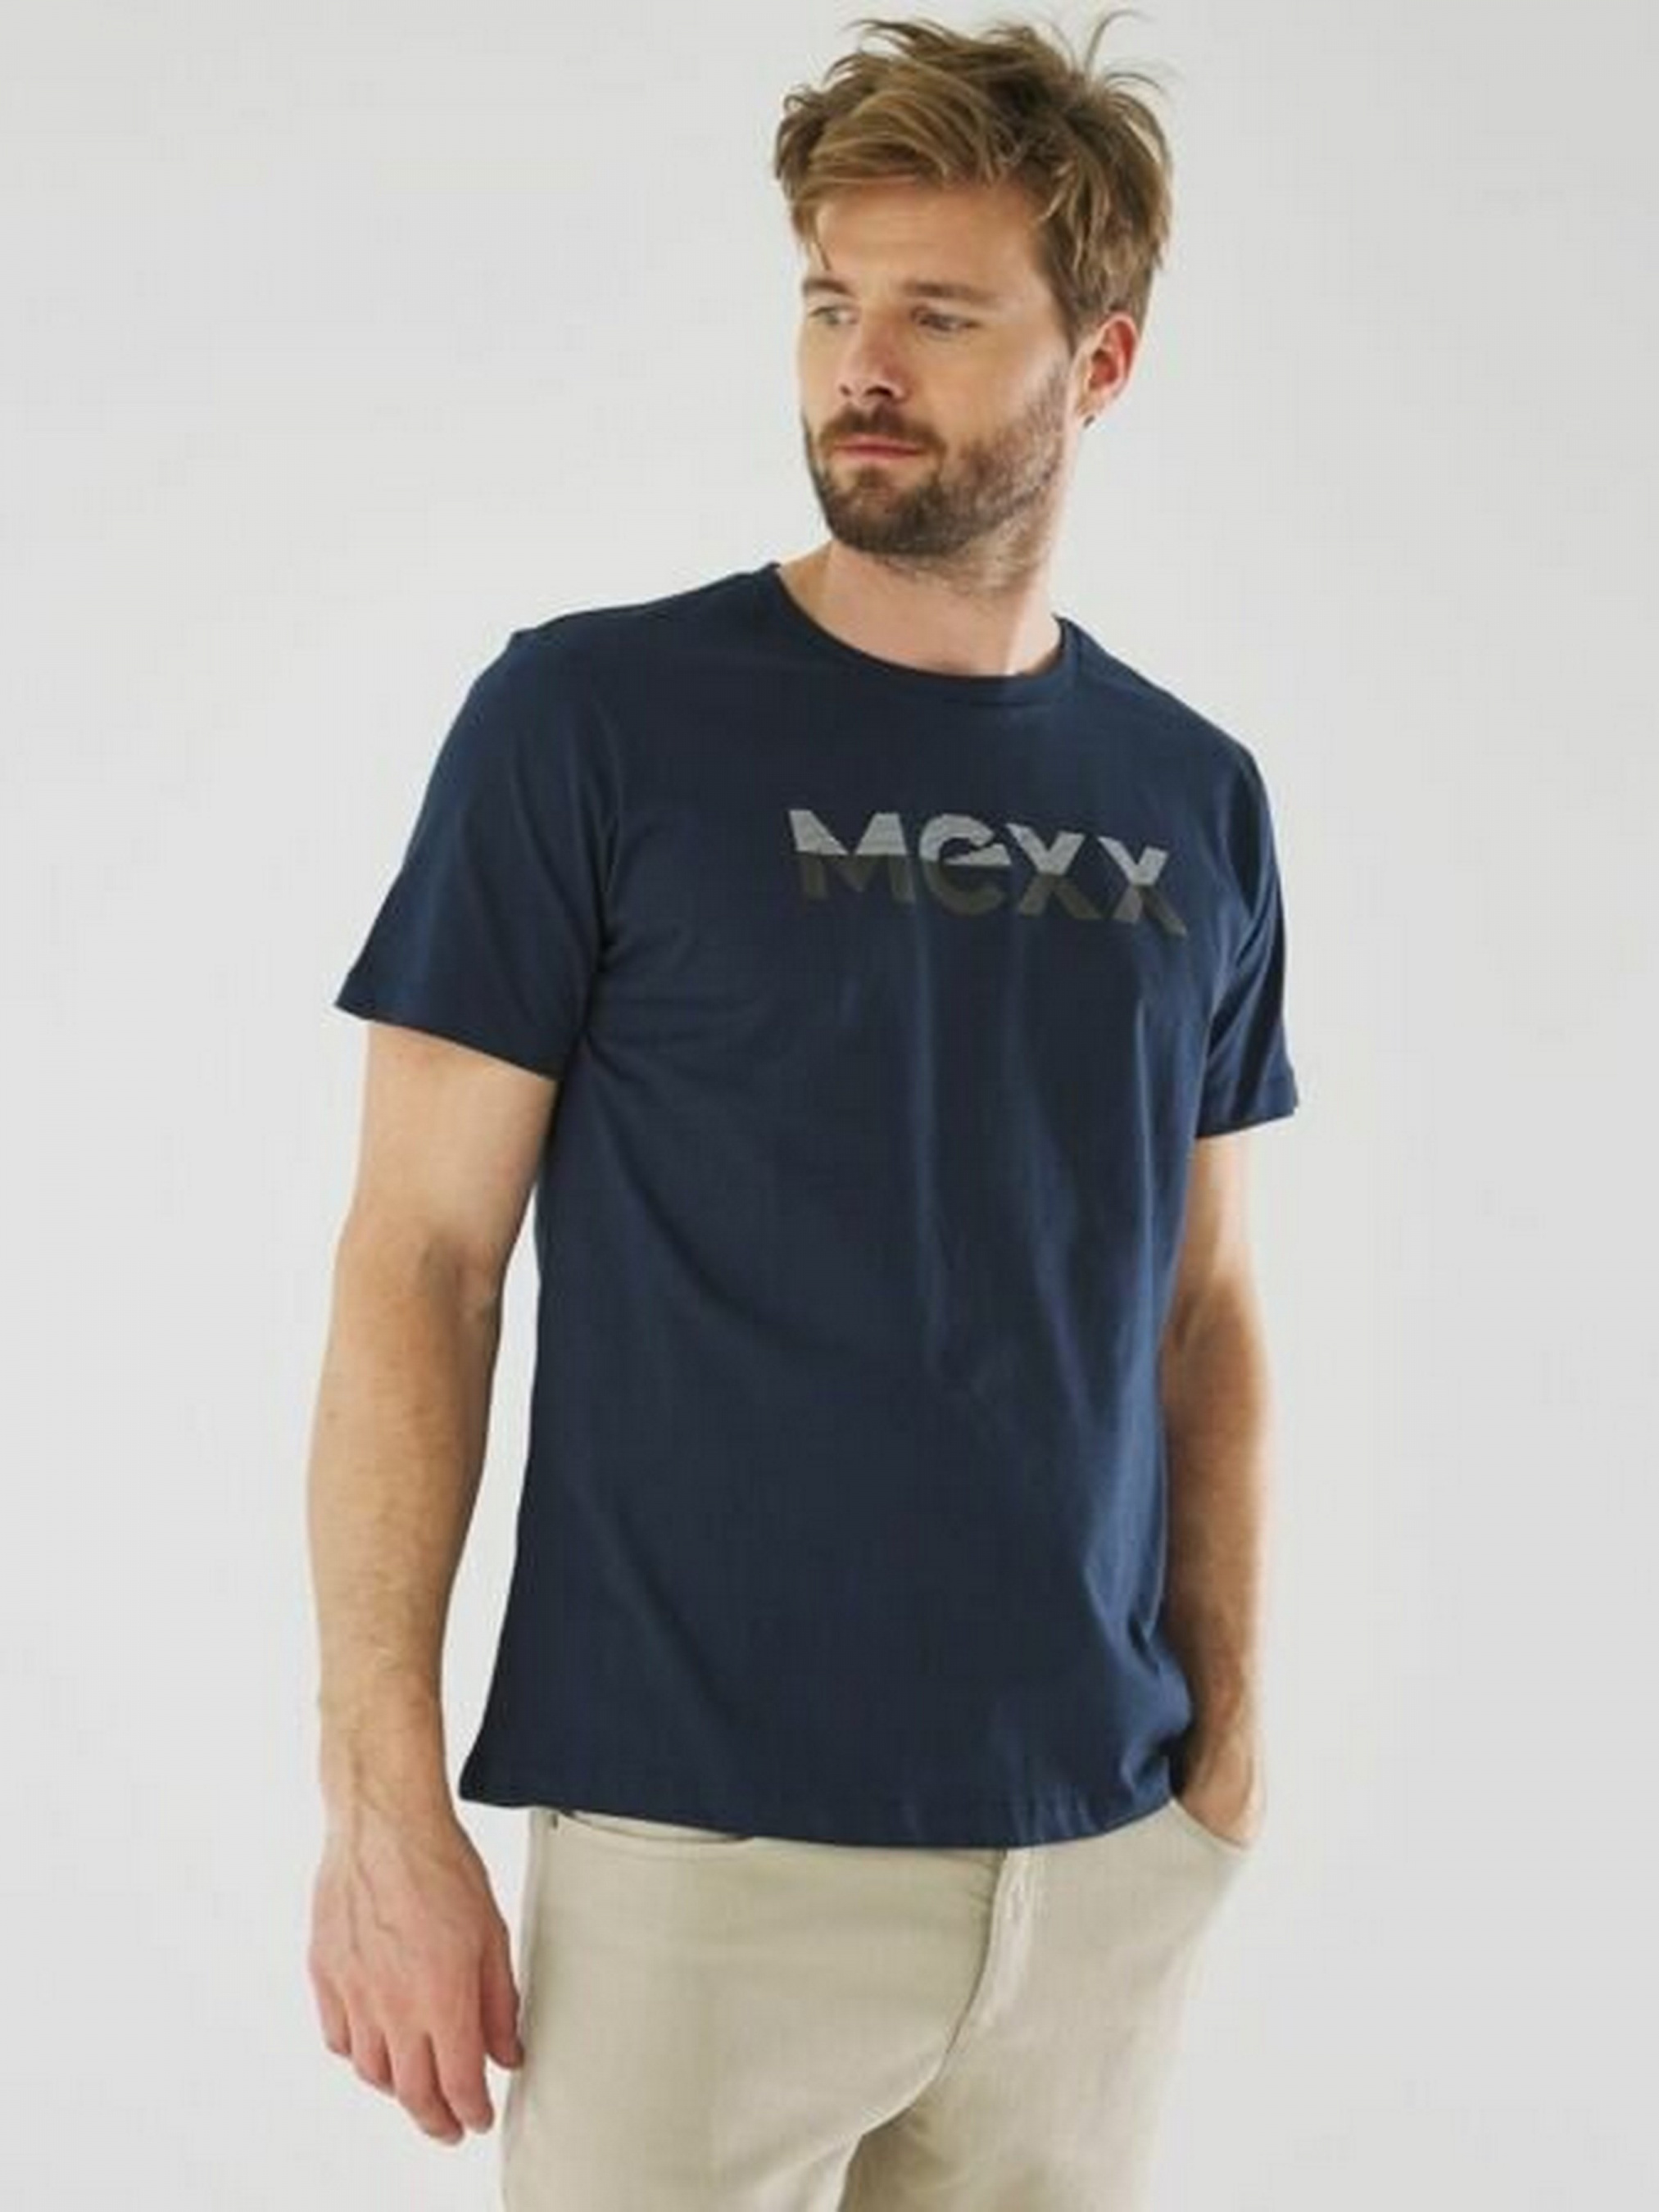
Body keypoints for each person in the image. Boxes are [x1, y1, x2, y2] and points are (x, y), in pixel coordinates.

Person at [305, 11, 1302, 2207]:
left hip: (1093, 1869)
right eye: (832, 303)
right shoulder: (591, 724)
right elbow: (422, 1258)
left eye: (939, 315)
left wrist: (1219, 1756)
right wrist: (384, 1806)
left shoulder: (1192, 799)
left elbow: (1204, 1303)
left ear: (1101, 365)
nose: (862, 365)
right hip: (700, 1858)